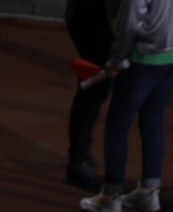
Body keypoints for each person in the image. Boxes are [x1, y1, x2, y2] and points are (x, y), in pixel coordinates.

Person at [80, 0, 173, 212]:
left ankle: (110, 198)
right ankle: (149, 192)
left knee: (117, 127)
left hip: (143, 57)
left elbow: (129, 22)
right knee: (152, 124)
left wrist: (116, 58)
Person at [64, 0, 114, 191]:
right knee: (92, 90)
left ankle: (79, 155)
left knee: (95, 90)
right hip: (90, 18)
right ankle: (77, 163)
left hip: (89, 16)